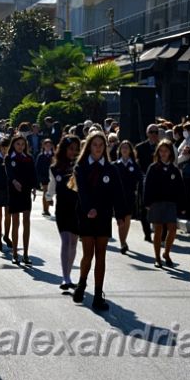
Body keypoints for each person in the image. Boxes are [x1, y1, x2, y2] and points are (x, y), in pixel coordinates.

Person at [71, 132, 126, 310]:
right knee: (88, 253)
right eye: (95, 145)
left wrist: (119, 215)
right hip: (86, 215)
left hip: (103, 215)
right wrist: (89, 209)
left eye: (101, 145)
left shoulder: (111, 169)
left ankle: (97, 294)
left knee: (101, 254)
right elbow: (82, 192)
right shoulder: (81, 166)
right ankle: (81, 284)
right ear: (89, 146)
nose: (98, 148)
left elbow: (118, 193)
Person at [46, 135, 82, 290]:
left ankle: (69, 274)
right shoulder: (55, 168)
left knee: (73, 242)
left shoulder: (79, 166)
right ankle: (65, 277)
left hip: (77, 207)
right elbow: (52, 186)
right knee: (65, 241)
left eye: (75, 149)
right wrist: (48, 197)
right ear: (64, 149)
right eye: (70, 148)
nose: (73, 152)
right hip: (62, 208)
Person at [144, 139, 185, 268]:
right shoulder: (153, 167)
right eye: (161, 151)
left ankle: (166, 252)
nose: (163, 153)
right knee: (158, 230)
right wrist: (147, 202)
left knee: (172, 228)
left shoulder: (174, 169)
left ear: (170, 153)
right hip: (156, 203)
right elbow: (148, 186)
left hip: (170, 203)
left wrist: (183, 205)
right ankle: (157, 258)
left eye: (166, 151)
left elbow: (180, 188)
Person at [5, 134, 38, 265]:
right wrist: (14, 181)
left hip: (25, 192)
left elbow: (33, 173)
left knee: (26, 222)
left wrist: (35, 186)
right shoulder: (9, 158)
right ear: (13, 145)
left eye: (22, 144)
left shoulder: (29, 158)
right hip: (14, 192)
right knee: (15, 222)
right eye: (18, 144)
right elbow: (9, 172)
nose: (20, 146)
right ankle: (14, 254)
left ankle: (25, 254)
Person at [113, 140, 144, 254]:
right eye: (123, 147)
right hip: (117, 197)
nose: (125, 149)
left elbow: (139, 178)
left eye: (127, 147)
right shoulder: (115, 165)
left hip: (130, 196)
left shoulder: (134, 165)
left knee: (127, 218)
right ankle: (122, 243)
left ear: (130, 150)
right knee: (120, 219)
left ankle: (123, 242)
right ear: (120, 150)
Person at [135, 123, 161, 241]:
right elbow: (137, 165)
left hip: (158, 182)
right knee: (144, 208)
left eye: (156, 132)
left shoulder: (162, 147)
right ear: (147, 133)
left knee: (159, 207)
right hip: (145, 181)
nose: (154, 134)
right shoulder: (140, 147)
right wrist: (141, 176)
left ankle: (159, 233)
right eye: (151, 132)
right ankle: (147, 233)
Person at [35, 138, 54, 217]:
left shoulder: (54, 155)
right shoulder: (40, 156)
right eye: (46, 145)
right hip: (44, 176)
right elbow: (37, 167)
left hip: (52, 177)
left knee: (49, 193)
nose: (48, 147)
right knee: (45, 192)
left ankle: (48, 206)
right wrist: (38, 178)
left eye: (49, 145)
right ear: (44, 146)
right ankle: (45, 209)